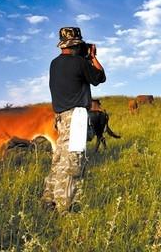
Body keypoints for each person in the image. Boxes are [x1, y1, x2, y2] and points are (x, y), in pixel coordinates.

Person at [42, 27, 106, 212]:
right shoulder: (79, 62)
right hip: (76, 117)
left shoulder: (54, 64)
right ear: (77, 45)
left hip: (60, 118)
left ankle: (48, 200)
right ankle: (65, 208)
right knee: (73, 162)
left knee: (59, 159)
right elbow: (100, 77)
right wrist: (92, 57)